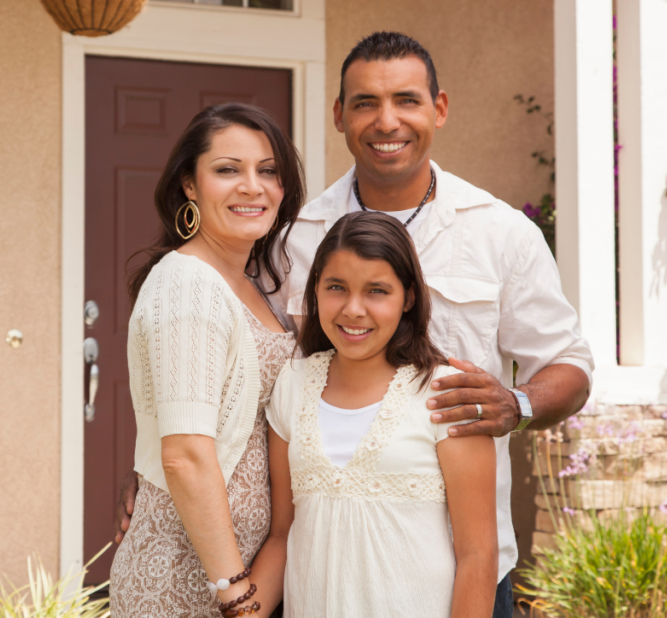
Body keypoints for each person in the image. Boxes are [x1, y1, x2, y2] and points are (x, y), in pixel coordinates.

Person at [116, 32, 594, 618]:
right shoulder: (289, 237)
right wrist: (163, 467)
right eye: (365, 102)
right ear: (339, 115)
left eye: (407, 100)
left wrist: (514, 403)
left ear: (438, 108)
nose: (386, 120)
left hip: (467, 563)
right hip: (315, 564)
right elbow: (225, 369)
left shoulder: (500, 232)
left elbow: (570, 363)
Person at [108, 102, 306, 617]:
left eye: (268, 171)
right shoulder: (187, 284)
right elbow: (185, 455)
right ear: (188, 186)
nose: (252, 186)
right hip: (186, 576)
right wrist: (237, 594)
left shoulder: (255, 285)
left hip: (238, 575)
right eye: (227, 170)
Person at [259, 211, 497, 617]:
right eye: (336, 287)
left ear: (408, 297)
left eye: (377, 291)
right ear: (315, 289)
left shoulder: (445, 393)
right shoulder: (292, 384)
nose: (353, 309)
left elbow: (478, 554)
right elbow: (282, 535)